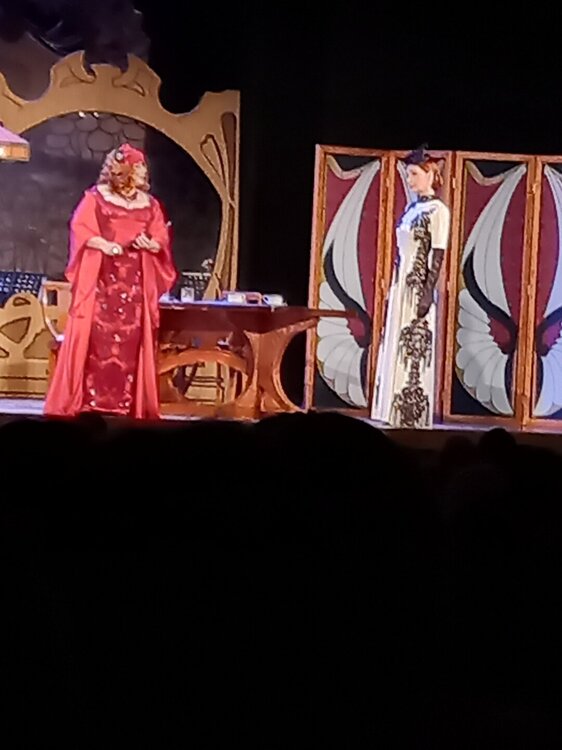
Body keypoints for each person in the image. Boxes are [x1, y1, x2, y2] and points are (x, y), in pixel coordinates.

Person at [44, 143, 177, 419]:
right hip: (102, 283)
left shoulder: (150, 205)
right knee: (97, 340)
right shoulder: (96, 198)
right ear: (125, 170)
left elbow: (160, 237)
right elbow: (80, 229)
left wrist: (151, 244)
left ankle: (127, 403)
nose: (144, 172)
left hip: (135, 286)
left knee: (131, 341)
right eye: (139, 166)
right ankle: (91, 403)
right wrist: (104, 245)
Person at [371, 145, 450, 428]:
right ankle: (389, 410)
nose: (410, 179)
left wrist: (427, 292)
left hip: (418, 287)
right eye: (408, 174)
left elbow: (437, 254)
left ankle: (411, 414)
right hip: (402, 284)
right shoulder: (411, 208)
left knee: (413, 347)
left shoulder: (438, 211)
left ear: (430, 175)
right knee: (395, 343)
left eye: (415, 174)